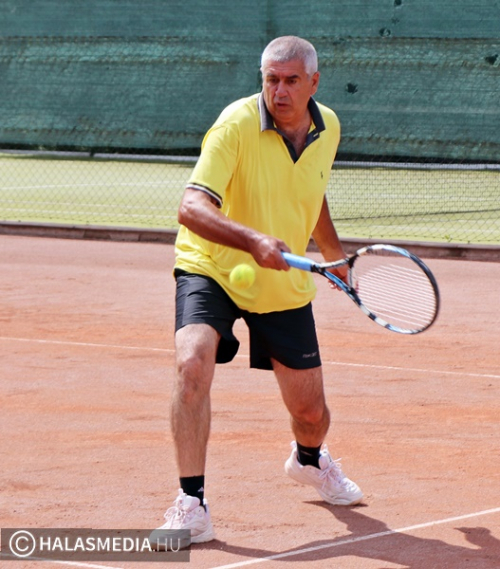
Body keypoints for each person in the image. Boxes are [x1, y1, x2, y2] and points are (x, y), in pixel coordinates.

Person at [156, 35, 363, 545]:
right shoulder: (236, 124)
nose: (280, 91)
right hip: (212, 266)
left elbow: (311, 192)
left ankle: (309, 460)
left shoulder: (328, 127)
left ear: (314, 82)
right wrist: (252, 241)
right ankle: (191, 504)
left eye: (292, 80)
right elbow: (190, 208)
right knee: (191, 365)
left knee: (311, 414)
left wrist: (333, 255)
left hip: (280, 277)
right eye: (271, 79)